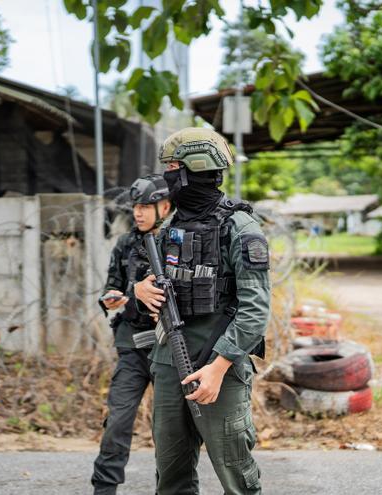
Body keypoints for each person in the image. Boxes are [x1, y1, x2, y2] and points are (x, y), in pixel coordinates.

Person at [134, 127, 271, 494]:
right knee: (171, 476)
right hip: (169, 364)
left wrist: (220, 366)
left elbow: (255, 311)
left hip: (218, 364)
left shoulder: (239, 228)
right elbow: (151, 277)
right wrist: (140, 288)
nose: (168, 176)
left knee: (236, 477)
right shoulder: (170, 227)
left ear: (195, 168)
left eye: (174, 166)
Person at [91, 174, 173, 495]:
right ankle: (104, 489)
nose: (138, 213)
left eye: (146, 206)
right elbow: (112, 284)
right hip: (132, 347)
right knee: (117, 423)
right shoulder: (125, 243)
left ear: (165, 206)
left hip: (169, 349)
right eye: (135, 207)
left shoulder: (179, 242)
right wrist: (115, 295)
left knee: (168, 432)